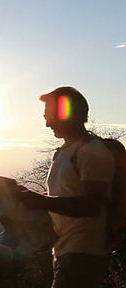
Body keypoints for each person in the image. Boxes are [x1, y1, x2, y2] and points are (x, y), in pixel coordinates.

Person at [18, 86, 115, 288]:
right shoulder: (62, 153)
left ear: (67, 113)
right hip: (66, 252)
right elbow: (67, 196)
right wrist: (35, 199)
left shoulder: (91, 150)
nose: (46, 123)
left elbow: (93, 205)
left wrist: (40, 201)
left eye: (50, 116)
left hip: (84, 253)